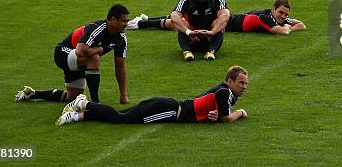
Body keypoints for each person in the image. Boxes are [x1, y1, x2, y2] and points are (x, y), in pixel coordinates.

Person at [55, 66, 248, 126]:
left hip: (168, 105)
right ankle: (84, 102)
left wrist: (210, 115)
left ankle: (75, 116)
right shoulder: (224, 92)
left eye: (245, 83)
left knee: (120, 114)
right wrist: (239, 113)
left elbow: (209, 109)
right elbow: (226, 118)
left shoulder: (222, 91)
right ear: (229, 81)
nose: (244, 86)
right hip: (170, 112)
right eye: (241, 82)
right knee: (121, 119)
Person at [15, 4, 130, 104]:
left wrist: (123, 95)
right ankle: (95, 103)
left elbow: (120, 65)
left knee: (72, 98)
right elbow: (80, 51)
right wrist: (98, 50)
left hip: (78, 61)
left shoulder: (121, 38)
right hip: (63, 53)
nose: (126, 24)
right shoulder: (97, 28)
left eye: (127, 21)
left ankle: (32, 94)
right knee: (94, 58)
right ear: (113, 19)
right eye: (124, 21)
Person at [128, 0, 229, 61]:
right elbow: (174, 16)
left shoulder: (217, 0)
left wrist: (213, 32)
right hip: (191, 38)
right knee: (180, 23)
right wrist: (188, 32)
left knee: (219, 24)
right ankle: (187, 51)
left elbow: (225, 16)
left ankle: (211, 52)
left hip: (210, 38)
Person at [226, 0, 307, 35]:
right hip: (228, 23)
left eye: (286, 14)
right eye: (281, 12)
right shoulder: (265, 17)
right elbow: (284, 32)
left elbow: (301, 25)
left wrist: (290, 28)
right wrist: (286, 27)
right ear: (273, 9)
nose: (283, 16)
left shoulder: (279, 18)